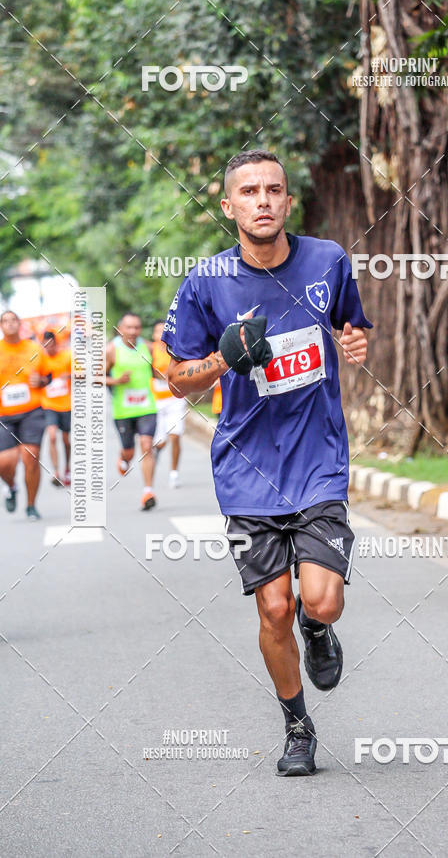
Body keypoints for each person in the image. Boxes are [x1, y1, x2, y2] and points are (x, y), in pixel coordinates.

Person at [163, 149, 371, 776]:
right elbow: (177, 379)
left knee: (321, 602)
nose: (261, 200)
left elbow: (350, 327)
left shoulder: (328, 260)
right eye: (248, 191)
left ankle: (318, 631)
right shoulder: (206, 282)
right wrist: (225, 359)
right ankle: (298, 728)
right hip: (246, 469)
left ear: (287, 202)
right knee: (273, 607)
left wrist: (355, 340)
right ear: (228, 207)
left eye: (273, 190)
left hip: (318, 461)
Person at [0, 309, 51, 519]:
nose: (10, 324)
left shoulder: (34, 348)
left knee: (31, 456)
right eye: (5, 321)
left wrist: (42, 381)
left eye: (14, 320)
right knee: (5, 463)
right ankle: (12, 486)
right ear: (1, 326)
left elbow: (49, 376)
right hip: (4, 415)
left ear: (19, 324)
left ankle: (31, 506)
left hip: (32, 411)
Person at [105, 313, 157, 510]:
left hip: (147, 406)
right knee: (129, 451)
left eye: (137, 327)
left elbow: (158, 371)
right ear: (120, 329)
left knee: (146, 444)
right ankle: (124, 457)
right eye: (129, 327)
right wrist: (116, 381)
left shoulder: (148, 347)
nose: (134, 331)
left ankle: (148, 491)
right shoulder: (111, 350)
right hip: (123, 411)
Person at [151, 320, 186, 488]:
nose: (161, 334)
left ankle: (174, 473)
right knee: (160, 441)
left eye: (164, 330)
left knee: (175, 436)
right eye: (158, 331)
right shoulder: (151, 350)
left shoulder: (177, 348)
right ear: (154, 334)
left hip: (176, 399)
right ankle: (157, 449)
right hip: (156, 400)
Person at [41, 330, 72, 486]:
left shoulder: (67, 356)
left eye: (51, 345)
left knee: (66, 441)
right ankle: (56, 472)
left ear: (56, 344)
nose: (49, 349)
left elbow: (82, 374)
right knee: (52, 436)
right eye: (45, 346)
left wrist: (69, 376)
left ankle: (67, 469)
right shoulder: (40, 359)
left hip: (66, 404)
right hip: (48, 404)